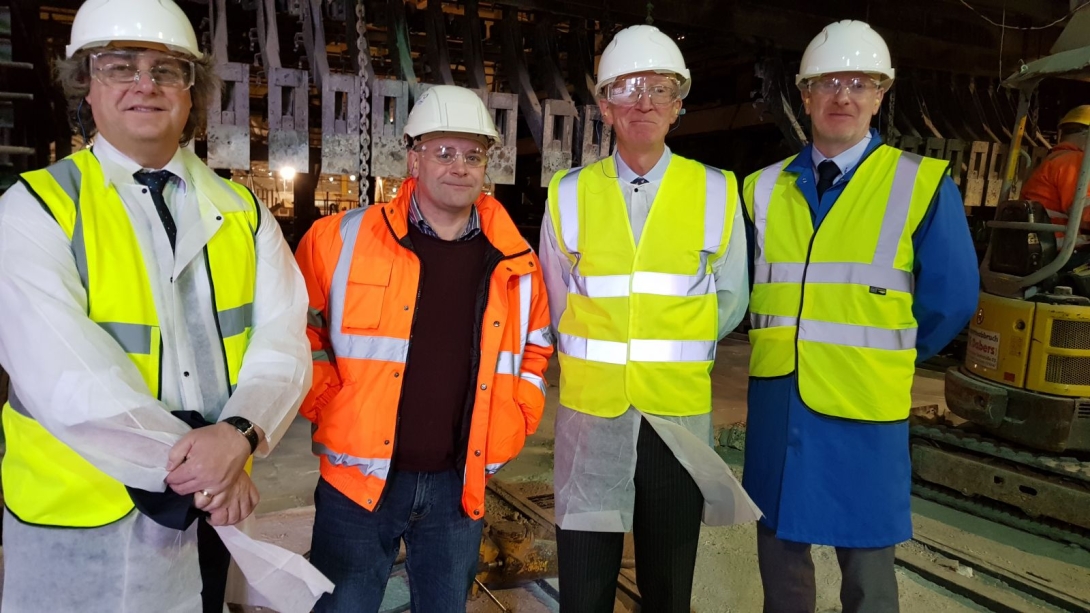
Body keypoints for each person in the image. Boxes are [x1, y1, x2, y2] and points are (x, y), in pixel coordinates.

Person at [0, 0, 312, 611]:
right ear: (86, 86)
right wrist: (206, 466)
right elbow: (66, 377)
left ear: (191, 91)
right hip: (85, 510)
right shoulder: (35, 209)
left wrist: (241, 435)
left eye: (167, 69)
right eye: (120, 66)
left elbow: (283, 344)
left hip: (211, 509)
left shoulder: (243, 214)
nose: (146, 83)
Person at [741, 20, 979, 613]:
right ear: (804, 95)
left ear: (880, 94)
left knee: (868, 572)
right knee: (779, 557)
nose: (842, 95)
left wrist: (887, 352)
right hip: (781, 403)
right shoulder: (761, 190)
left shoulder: (919, 183)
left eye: (859, 82)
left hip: (864, 407)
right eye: (827, 82)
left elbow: (951, 300)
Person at [297, 84, 553, 613]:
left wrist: (517, 419)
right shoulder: (338, 238)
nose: (459, 166)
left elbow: (535, 349)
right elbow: (299, 330)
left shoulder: (516, 259)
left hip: (459, 484)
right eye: (443, 151)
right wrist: (326, 405)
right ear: (413, 156)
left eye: (472, 154)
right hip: (358, 481)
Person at [540, 24, 751, 613]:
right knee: (583, 591)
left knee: (667, 589)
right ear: (605, 105)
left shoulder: (716, 191)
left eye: (660, 89)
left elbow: (728, 301)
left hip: (675, 422)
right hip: (592, 420)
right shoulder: (569, 194)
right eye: (628, 89)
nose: (644, 103)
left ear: (679, 104)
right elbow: (559, 303)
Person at [1021, 105, 1090, 249]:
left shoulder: (1056, 158)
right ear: (1086, 135)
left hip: (1044, 243)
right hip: (1058, 247)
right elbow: (1082, 212)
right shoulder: (1074, 161)